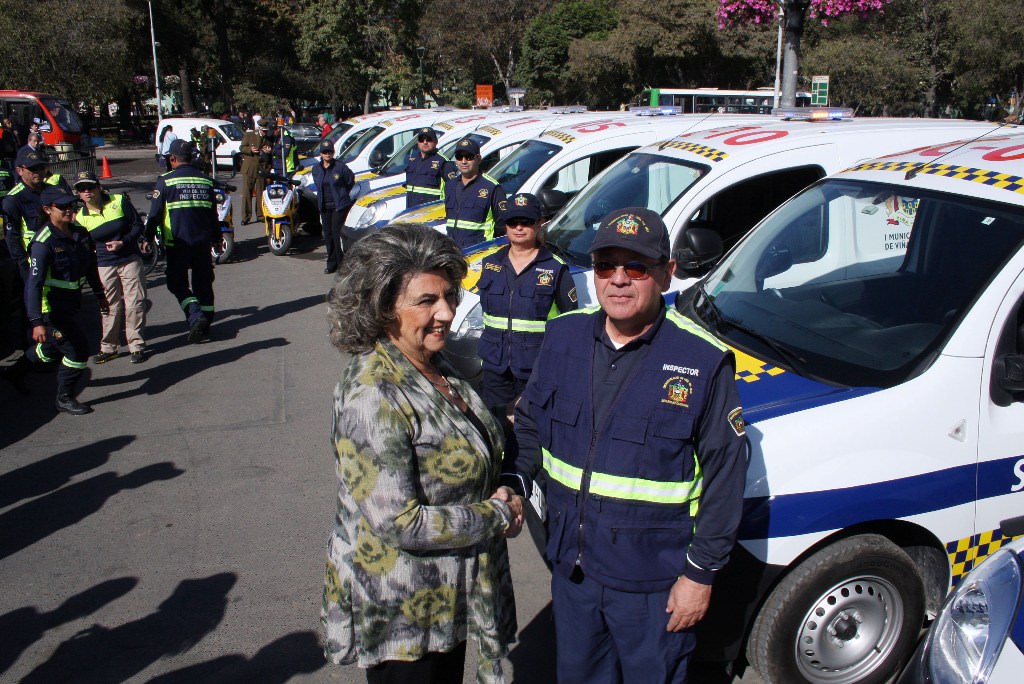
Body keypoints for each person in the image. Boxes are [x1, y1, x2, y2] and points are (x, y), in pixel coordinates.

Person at [508, 208, 749, 684]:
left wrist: (699, 577)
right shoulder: (564, 336)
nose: (618, 280)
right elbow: (530, 424)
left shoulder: (701, 361)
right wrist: (512, 481)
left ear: (666, 273)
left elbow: (726, 477)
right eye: (605, 266)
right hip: (574, 572)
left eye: (636, 267)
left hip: (653, 586)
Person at [321, 223, 523, 684]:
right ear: (382, 306)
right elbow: (400, 522)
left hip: (445, 598)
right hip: (404, 616)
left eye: (449, 296)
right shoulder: (372, 394)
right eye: (427, 301)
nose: (447, 312)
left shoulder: (434, 364)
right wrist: (495, 514)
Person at [477, 192, 577, 462]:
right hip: (495, 368)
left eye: (526, 221)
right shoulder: (491, 264)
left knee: (529, 436)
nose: (519, 227)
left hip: (534, 371)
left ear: (539, 223)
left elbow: (570, 328)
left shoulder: (556, 270)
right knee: (494, 433)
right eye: (512, 222)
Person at [23, 186, 107, 415]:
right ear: (47, 209)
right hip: (51, 309)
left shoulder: (78, 231)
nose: (69, 211)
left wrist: (100, 295)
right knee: (78, 351)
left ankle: (15, 372)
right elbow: (33, 285)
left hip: (70, 304)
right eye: (63, 207)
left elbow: (90, 266)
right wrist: (36, 321)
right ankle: (64, 397)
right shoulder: (43, 243)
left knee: (49, 349)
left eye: (71, 205)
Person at [145, 139, 218, 344]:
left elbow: (155, 214)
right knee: (203, 282)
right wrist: (218, 238)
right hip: (202, 242)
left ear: (172, 158)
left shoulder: (166, 180)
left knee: (177, 282)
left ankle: (195, 314)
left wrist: (147, 237)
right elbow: (213, 214)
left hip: (177, 242)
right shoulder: (205, 180)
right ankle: (207, 320)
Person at [73, 170, 147, 364]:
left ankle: (136, 345)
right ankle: (109, 347)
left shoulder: (119, 201)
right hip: (105, 264)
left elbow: (137, 225)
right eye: (82, 189)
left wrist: (124, 242)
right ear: (78, 194)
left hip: (129, 258)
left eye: (90, 187)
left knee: (135, 303)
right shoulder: (81, 218)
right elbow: (85, 246)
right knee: (109, 306)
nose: (87, 191)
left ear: (98, 187)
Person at [4, 147, 69, 284]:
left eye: (41, 167)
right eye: (33, 169)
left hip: (61, 256)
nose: (38, 172)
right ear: (20, 171)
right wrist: (24, 268)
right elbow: (13, 239)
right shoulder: (13, 199)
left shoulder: (53, 190)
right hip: (35, 260)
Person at [443, 137, 505, 252]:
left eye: (469, 157)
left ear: (478, 158)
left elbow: (502, 226)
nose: (464, 161)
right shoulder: (450, 185)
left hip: (480, 253)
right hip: (453, 252)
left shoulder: (492, 187)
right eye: (459, 157)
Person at [310, 139, 354, 275]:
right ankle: (331, 263)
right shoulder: (316, 169)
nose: (327, 154)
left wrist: (342, 195)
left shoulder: (340, 167)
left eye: (329, 152)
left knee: (336, 234)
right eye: (324, 152)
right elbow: (318, 184)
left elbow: (350, 181)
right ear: (321, 154)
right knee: (327, 235)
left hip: (338, 206)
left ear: (333, 152)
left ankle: (341, 264)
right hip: (324, 205)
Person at [404, 127, 452, 210]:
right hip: (411, 210)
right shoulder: (412, 159)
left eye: (429, 139)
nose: (425, 142)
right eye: (421, 140)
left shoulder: (443, 162)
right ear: (418, 142)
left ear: (436, 142)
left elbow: (452, 190)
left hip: (431, 212)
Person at [239, 121, 270, 224]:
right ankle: (246, 217)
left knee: (260, 193)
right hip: (249, 168)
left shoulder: (268, 138)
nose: (265, 133)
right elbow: (242, 148)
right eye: (263, 131)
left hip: (261, 168)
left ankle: (260, 215)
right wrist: (250, 149)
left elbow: (270, 150)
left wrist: (268, 150)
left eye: (266, 131)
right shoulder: (250, 135)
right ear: (259, 129)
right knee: (247, 193)